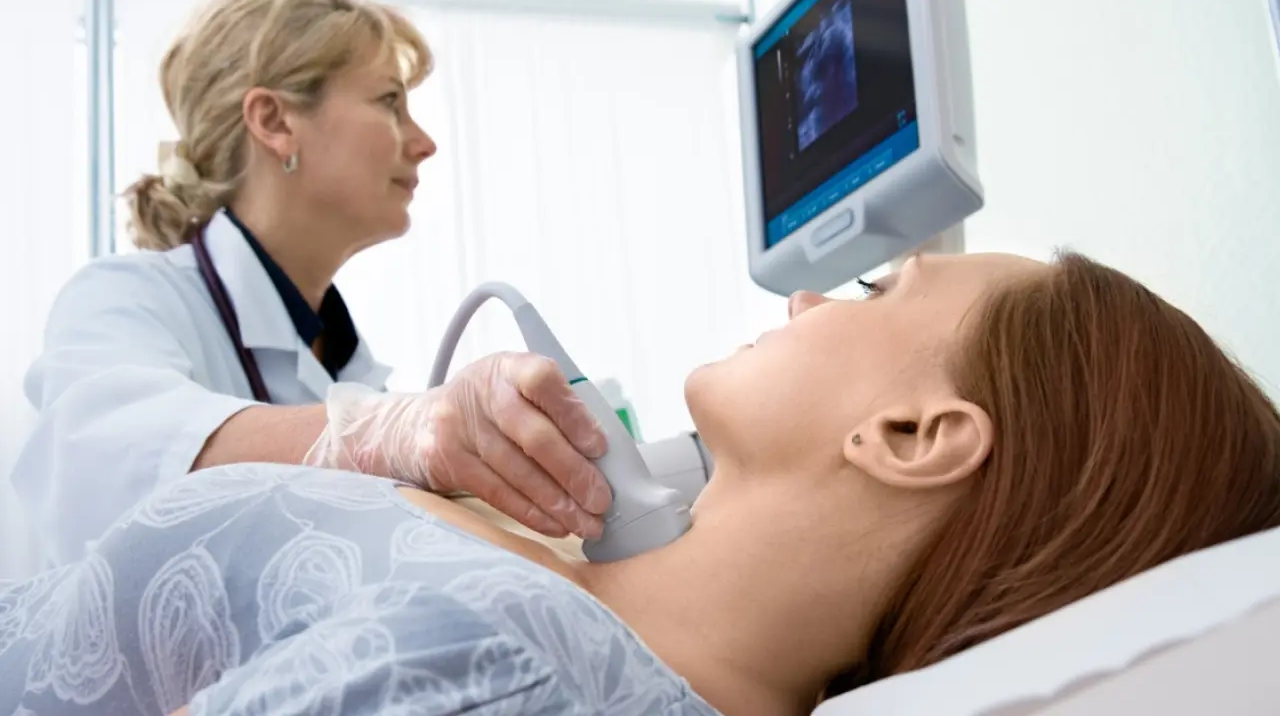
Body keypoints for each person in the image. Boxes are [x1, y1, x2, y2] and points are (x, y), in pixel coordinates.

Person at [2, 251, 1278, 716]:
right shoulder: (566, 604)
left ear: (909, 435)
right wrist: (405, 443)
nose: (806, 296)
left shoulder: (501, 666)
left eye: (876, 288)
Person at [10, 0, 613, 568]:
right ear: (275, 122)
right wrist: (385, 433)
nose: (425, 144)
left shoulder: (346, 363)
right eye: (389, 102)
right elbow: (99, 458)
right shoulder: (125, 298)